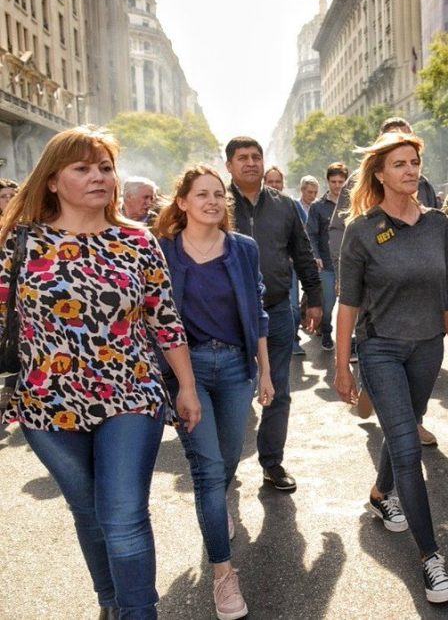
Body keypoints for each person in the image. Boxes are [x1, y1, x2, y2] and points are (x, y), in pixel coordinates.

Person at [0, 127, 201, 618]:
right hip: (46, 403)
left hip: (130, 393)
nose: (98, 177)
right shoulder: (19, 242)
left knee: (125, 515)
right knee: (89, 515)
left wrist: (188, 388)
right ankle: (110, 601)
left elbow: (164, 317)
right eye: (82, 168)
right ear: (51, 180)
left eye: (105, 168)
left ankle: (138, 612)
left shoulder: (137, 241)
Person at [332, 131, 448, 603]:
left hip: (427, 347)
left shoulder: (435, 224)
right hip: (380, 349)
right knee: (409, 448)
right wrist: (342, 365)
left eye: (414, 162)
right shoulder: (362, 230)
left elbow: (447, 292)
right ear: (380, 174)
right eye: (399, 164)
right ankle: (431, 559)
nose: (411, 170)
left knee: (405, 426)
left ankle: (380, 492)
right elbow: (347, 304)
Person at [155, 165, 274, 620]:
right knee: (206, 470)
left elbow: (258, 314)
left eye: (218, 194)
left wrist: (264, 372)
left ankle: (215, 511)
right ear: (182, 202)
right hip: (188, 369)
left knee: (228, 458)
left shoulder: (243, 249)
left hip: (236, 369)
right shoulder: (162, 250)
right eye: (201, 194)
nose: (212, 201)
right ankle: (224, 576)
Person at [327, 117, 439, 446]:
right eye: (396, 148)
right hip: (374, 279)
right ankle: (374, 389)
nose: (408, 167)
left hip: (416, 284)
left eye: (412, 154)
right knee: (375, 339)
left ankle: (411, 420)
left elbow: (432, 225)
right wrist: (345, 274)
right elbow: (339, 231)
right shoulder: (356, 186)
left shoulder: (422, 183)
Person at [226, 136, 322, 492]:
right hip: (228, 319)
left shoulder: (284, 206)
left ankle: (272, 464)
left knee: (278, 392)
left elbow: (302, 251)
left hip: (278, 311)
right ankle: (225, 469)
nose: (250, 163)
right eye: (242, 158)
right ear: (229, 166)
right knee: (234, 396)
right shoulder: (215, 204)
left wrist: (314, 297)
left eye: (256, 157)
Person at [262, 167, 307, 355]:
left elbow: (301, 234)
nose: (274, 185)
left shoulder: (290, 205)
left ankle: (293, 338)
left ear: (283, 184)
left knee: (293, 308)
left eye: (277, 181)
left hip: (289, 267)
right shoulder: (257, 205)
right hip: (265, 271)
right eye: (270, 181)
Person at [306, 162, 348, 352]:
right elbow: (311, 234)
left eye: (341, 181)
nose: (337, 185)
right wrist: (315, 255)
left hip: (351, 263)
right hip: (327, 263)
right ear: (328, 181)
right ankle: (327, 331)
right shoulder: (317, 207)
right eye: (334, 181)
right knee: (329, 303)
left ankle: (353, 340)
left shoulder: (355, 203)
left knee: (353, 305)